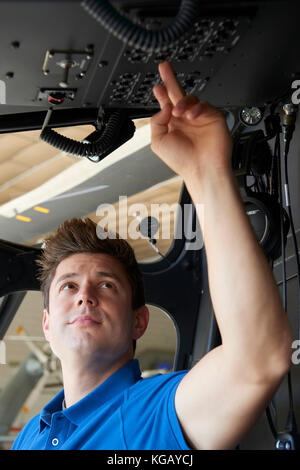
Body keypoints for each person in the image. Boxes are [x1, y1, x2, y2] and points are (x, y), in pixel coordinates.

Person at [11, 61, 292, 450]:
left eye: (106, 285)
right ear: (46, 324)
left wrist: (206, 172)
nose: (84, 295)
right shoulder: (31, 436)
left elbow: (256, 361)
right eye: (68, 285)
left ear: (139, 322)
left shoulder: (157, 412)